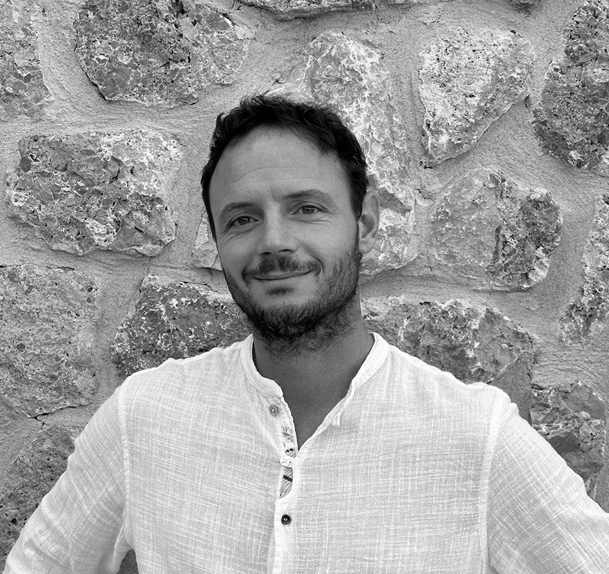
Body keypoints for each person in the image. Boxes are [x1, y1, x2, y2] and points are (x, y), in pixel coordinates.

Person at [5, 94, 609, 573]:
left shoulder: (475, 436)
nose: (274, 242)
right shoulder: (146, 417)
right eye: (242, 219)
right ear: (217, 242)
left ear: (364, 222)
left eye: (306, 208)